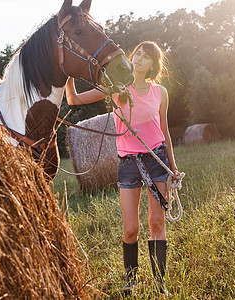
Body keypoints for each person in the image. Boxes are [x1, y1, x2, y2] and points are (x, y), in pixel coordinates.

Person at [65, 41, 182, 296]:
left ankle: (160, 285)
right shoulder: (116, 88)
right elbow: (73, 100)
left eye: (146, 57)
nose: (139, 59)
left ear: (153, 65)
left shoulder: (160, 92)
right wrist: (69, 74)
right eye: (137, 53)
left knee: (156, 223)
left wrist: (172, 166)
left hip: (156, 159)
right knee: (130, 229)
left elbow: (165, 131)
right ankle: (131, 282)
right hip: (128, 162)